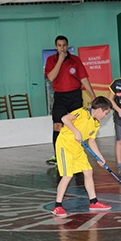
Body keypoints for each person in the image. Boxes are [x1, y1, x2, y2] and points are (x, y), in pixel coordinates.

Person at [51, 96, 113, 217]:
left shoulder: (95, 123)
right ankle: (57, 206)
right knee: (67, 175)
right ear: (100, 110)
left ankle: (93, 202)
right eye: (106, 113)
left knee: (88, 171)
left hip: (77, 148)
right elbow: (65, 118)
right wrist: (76, 131)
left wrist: (99, 157)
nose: (105, 116)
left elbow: (92, 142)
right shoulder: (82, 112)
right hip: (65, 145)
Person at [45, 35, 96, 166]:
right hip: (60, 96)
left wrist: (92, 94)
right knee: (57, 126)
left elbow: (84, 78)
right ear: (56, 47)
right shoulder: (51, 60)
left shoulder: (75, 60)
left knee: (76, 125)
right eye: (59, 45)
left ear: (67, 46)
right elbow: (51, 77)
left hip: (75, 95)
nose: (62, 48)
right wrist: (60, 61)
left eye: (64, 45)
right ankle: (57, 156)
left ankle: (76, 153)